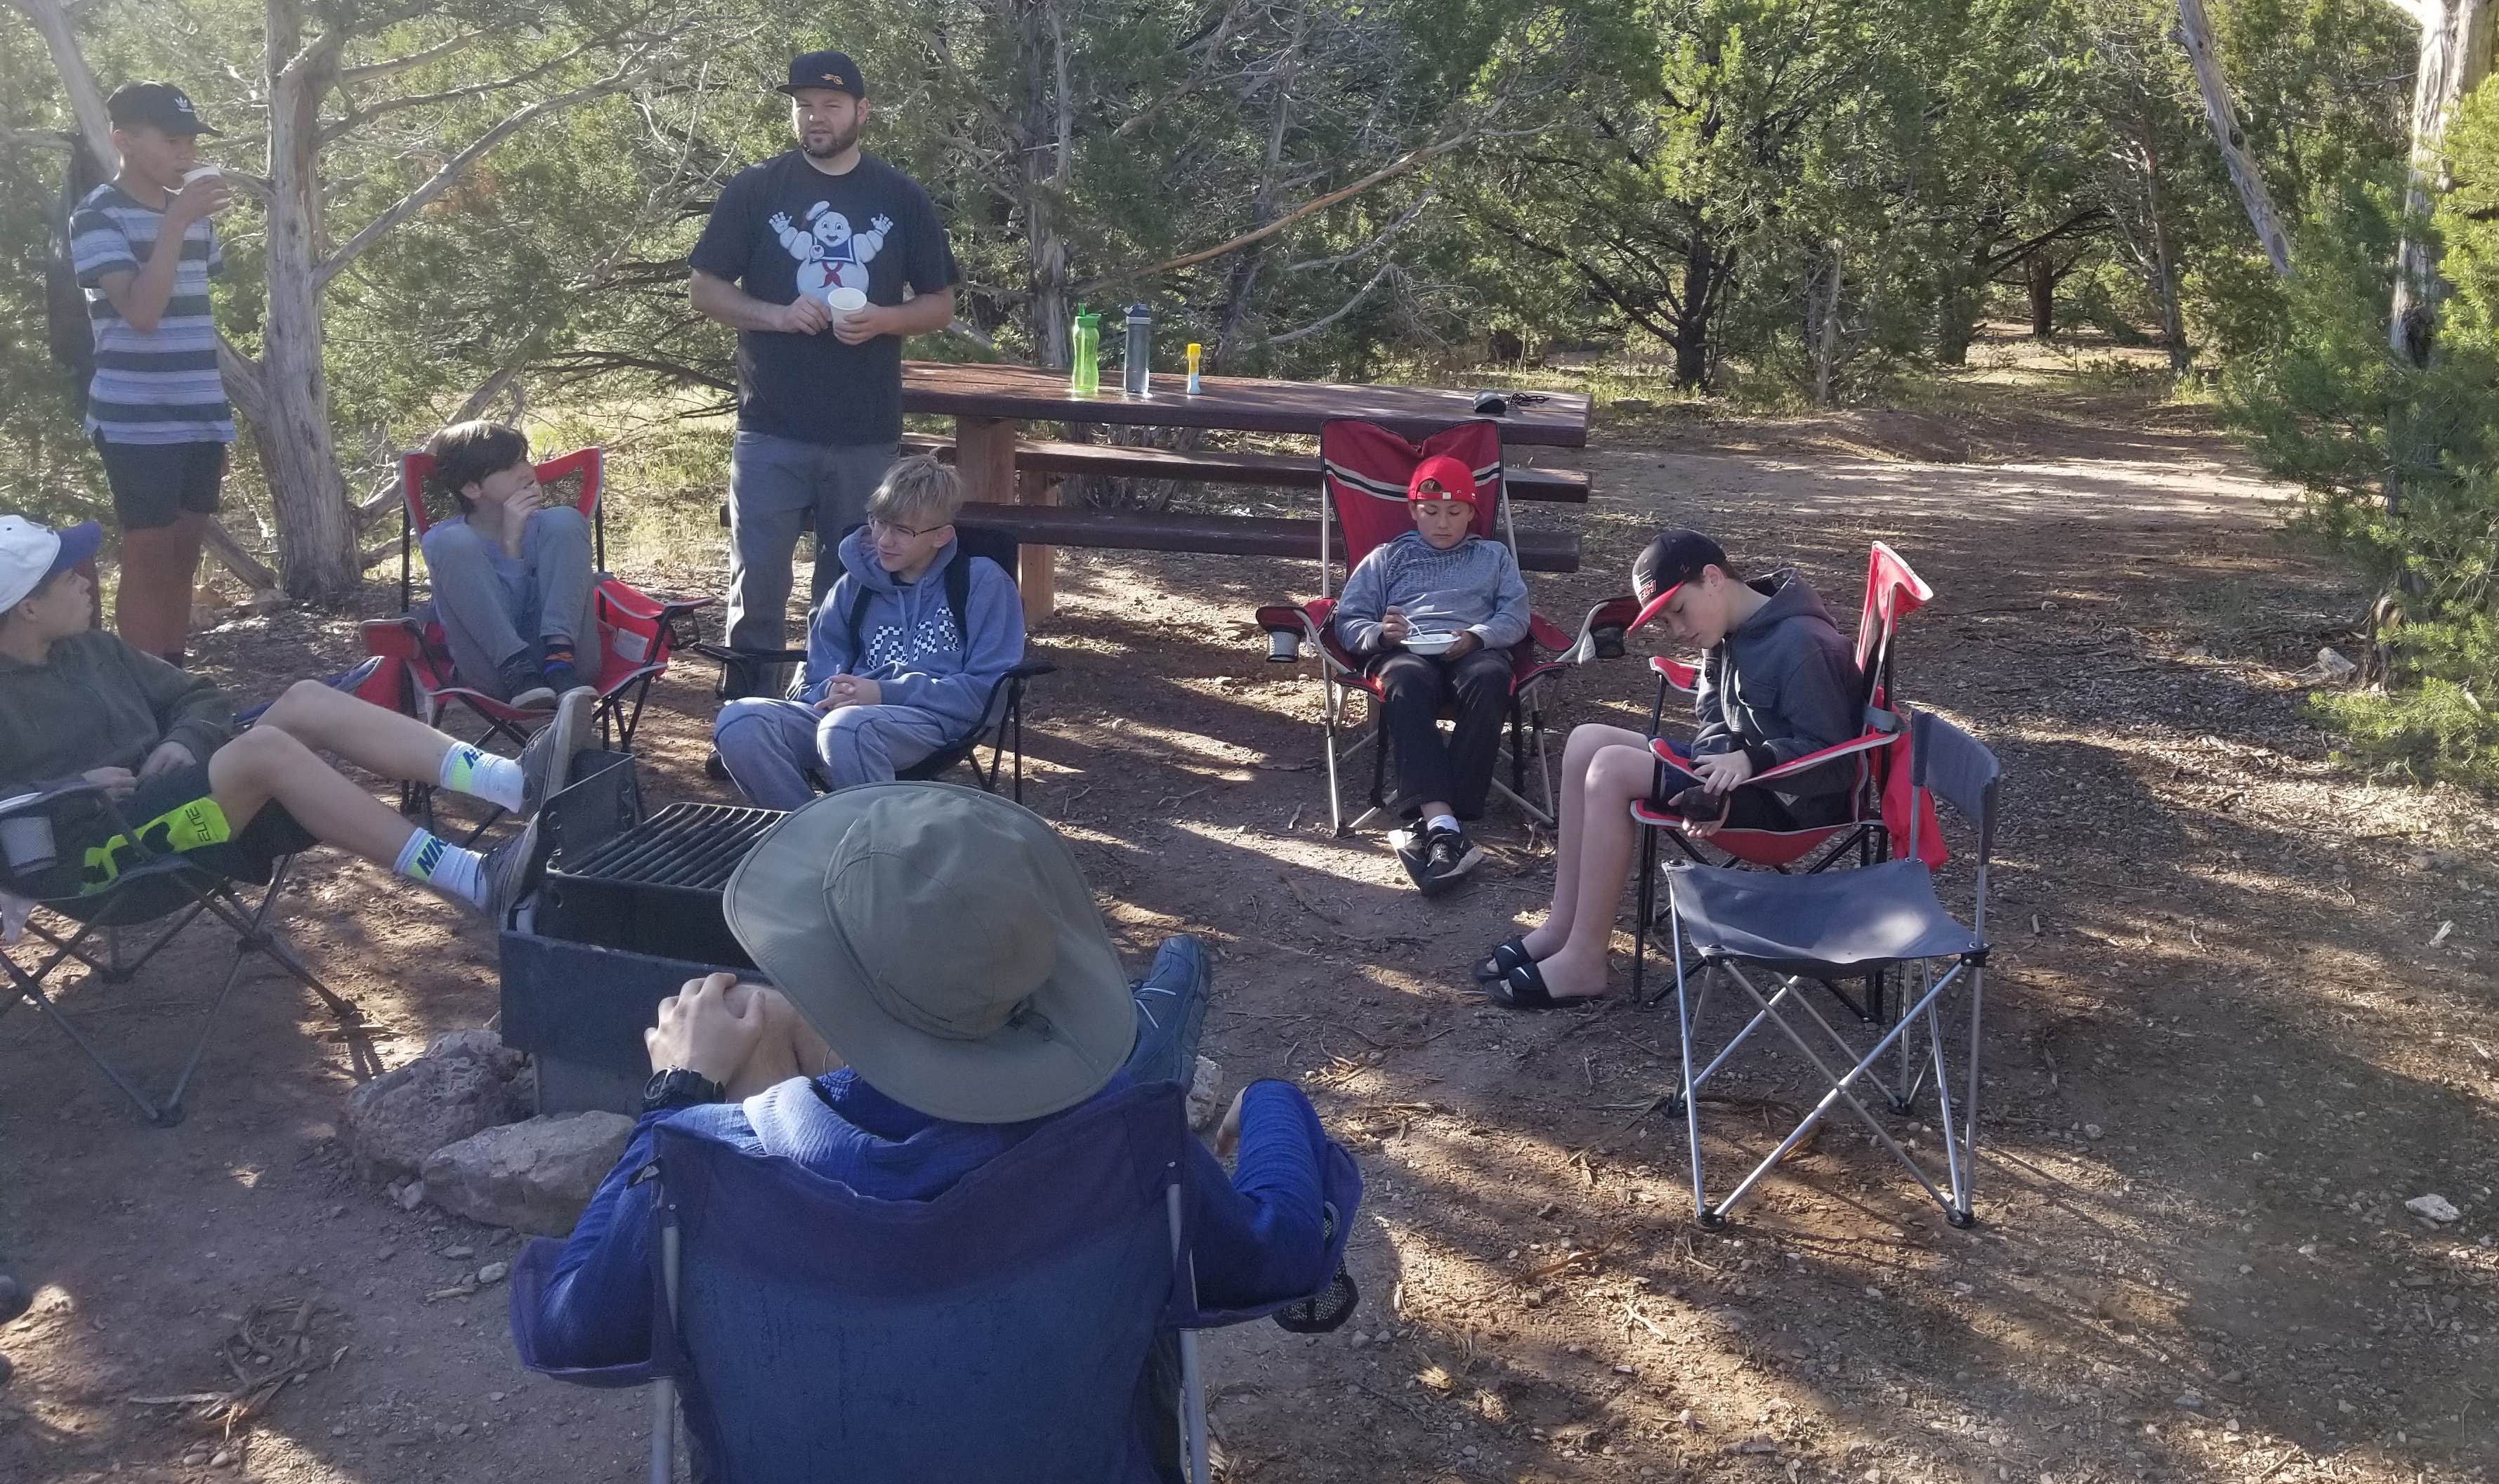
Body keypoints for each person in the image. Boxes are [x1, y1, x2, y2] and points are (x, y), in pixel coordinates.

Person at [515, 782, 1359, 1371]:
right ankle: (1161, 1012)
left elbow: (570, 1328)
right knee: (1147, 1057)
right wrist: (1275, 1103)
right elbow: (1283, 1255)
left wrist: (676, 1103)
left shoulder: (717, 1165)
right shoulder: (1126, 1144)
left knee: (1151, 1042)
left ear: (826, 982)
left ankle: (1164, 1014)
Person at [0, 515, 591, 928]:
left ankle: (514, 780)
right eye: (67, 577)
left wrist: (183, 739)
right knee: (266, 752)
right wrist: (70, 790)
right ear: (28, 607)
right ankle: (477, 879)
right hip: (99, 856)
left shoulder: (93, 650)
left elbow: (200, 697)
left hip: (175, 801)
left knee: (307, 699)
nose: (86, 581)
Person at [1478, 530, 1865, 1008]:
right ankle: (1562, 927)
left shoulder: (1804, 643)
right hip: (1730, 780)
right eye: (1665, 622)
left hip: (1785, 802)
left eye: (1678, 611)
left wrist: (1752, 761)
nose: (1677, 631)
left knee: (1613, 769)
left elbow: (1838, 765)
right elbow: (1712, 721)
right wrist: (1718, 766)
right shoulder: (1724, 630)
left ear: (1713, 578)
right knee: (1585, 741)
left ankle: (1584, 960)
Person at [688, 51, 959, 662]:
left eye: (831, 106)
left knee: (847, 584)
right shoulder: (757, 189)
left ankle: (823, 713)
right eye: (804, 106)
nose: (816, 118)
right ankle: (743, 718)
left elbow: (939, 303)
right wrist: (778, 315)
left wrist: (884, 320)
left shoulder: (900, 196)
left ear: (862, 111)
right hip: (770, 424)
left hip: (863, 428)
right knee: (756, 582)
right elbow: (704, 289)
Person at [709, 455, 1024, 808]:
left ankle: (872, 851)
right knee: (738, 721)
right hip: (843, 716)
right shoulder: (852, 587)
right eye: (879, 523)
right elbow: (816, 678)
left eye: (903, 530)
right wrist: (831, 689)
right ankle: (805, 832)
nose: (885, 540)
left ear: (941, 536)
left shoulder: (980, 583)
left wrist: (882, 692)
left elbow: (988, 691)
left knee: (846, 730)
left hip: (931, 720)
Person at [65, 84, 238, 663]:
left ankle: (174, 681)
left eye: (190, 141)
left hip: (200, 408)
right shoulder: (96, 216)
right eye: (171, 141)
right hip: (136, 416)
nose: (185, 154)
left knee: (184, 557)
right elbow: (141, 312)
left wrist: (186, 217)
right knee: (147, 556)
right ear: (124, 141)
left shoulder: (188, 209)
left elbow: (195, 299)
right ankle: (145, 690)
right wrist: (176, 223)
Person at [1326, 454, 1532, 895]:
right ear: (1413, 510)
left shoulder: (1492, 556)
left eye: (1455, 512)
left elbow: (1516, 615)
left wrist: (1479, 636)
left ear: (1472, 513)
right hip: (1406, 652)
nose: (1443, 523)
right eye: (1430, 511)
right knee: (1404, 680)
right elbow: (1349, 621)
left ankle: (1444, 825)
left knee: (1490, 677)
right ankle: (1443, 820)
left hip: (1473, 648)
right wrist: (1382, 635)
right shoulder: (1387, 557)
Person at [416, 421, 601, 709]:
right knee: (454, 542)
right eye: (509, 466)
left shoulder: (553, 529)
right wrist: (511, 547)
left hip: (573, 667)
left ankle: (559, 659)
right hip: (495, 672)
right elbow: (501, 618)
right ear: (472, 487)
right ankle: (518, 666)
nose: (526, 471)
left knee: (565, 519)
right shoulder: (444, 544)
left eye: (524, 459)